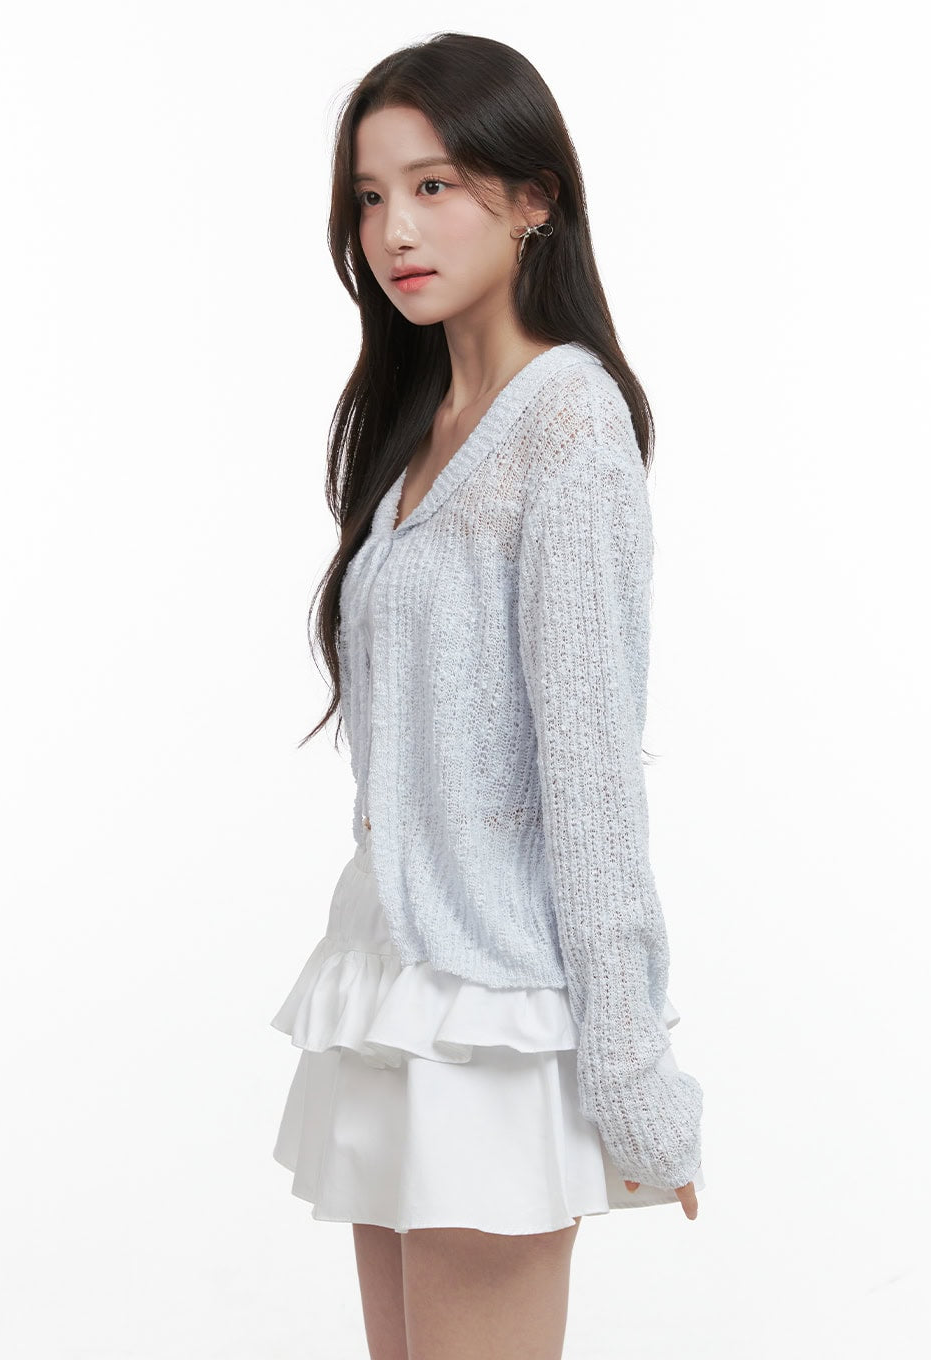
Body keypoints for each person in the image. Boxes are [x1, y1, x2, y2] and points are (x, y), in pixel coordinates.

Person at [269, 31, 706, 1360]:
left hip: (495, 1012)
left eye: (434, 185)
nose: (394, 230)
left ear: (533, 199)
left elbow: (590, 779)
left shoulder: (568, 424)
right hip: (393, 987)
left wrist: (634, 1073)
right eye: (370, 196)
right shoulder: (412, 432)